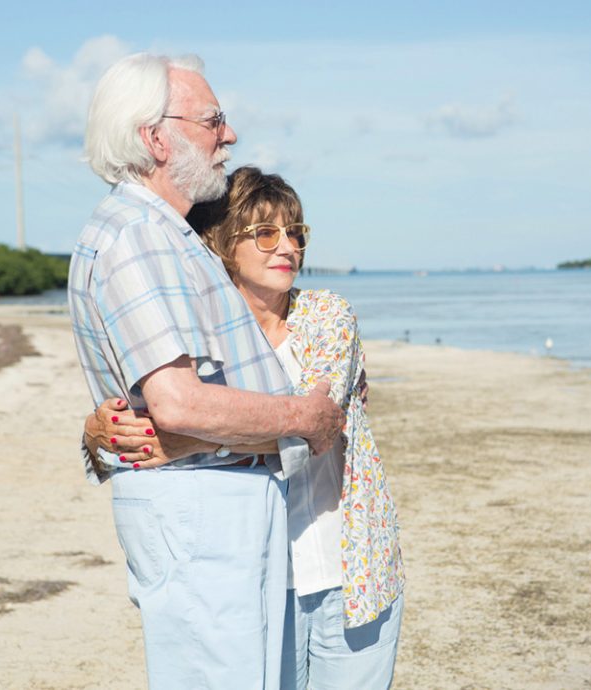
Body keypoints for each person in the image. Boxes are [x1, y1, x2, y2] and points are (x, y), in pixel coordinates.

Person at [67, 53, 345, 690]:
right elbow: (179, 404)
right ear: (155, 137)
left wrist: (107, 436)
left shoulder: (168, 231)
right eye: (214, 119)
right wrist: (304, 417)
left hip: (220, 503)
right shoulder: (136, 233)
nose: (230, 134)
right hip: (203, 509)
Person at [85, 167, 405, 689]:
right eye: (266, 232)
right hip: (253, 577)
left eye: (296, 232)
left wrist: (174, 439)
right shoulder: (201, 338)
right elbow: (139, 426)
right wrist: (99, 431)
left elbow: (313, 424)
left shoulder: (327, 316)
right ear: (223, 242)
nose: (288, 247)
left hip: (351, 573)